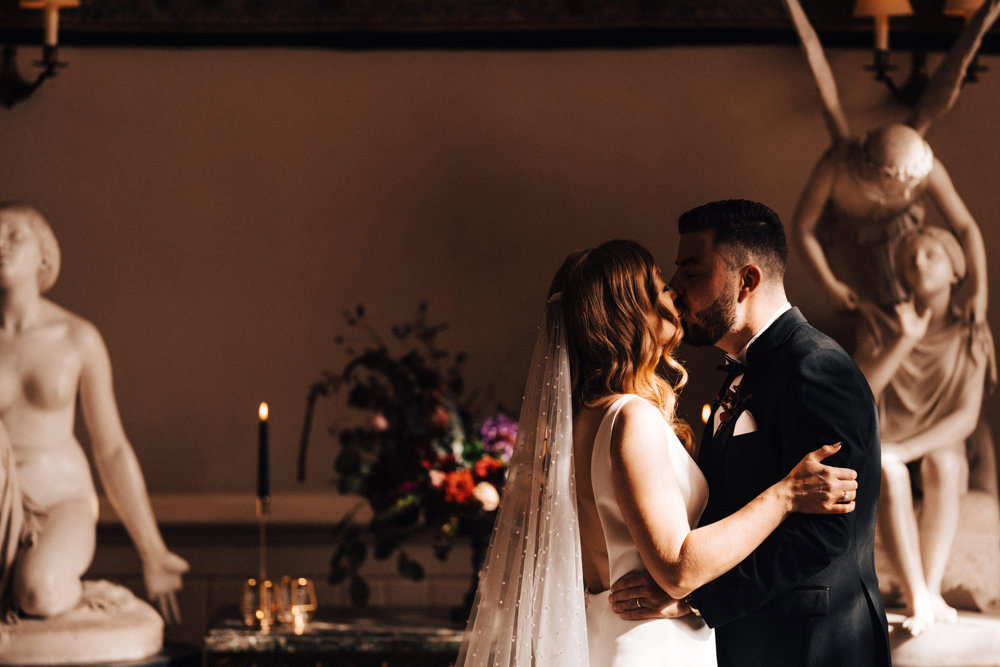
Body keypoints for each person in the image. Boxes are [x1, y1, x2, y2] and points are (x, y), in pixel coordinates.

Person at [456, 238, 860, 666]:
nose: (672, 292)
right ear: (628, 312)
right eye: (656, 285)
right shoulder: (630, 418)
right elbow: (678, 568)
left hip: (609, 636)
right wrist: (787, 495)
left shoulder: (582, 421)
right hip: (649, 645)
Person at [612, 200, 891, 666]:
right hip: (755, 638)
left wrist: (696, 599)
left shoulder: (817, 366)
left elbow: (825, 532)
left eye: (692, 270)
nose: (675, 286)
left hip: (813, 644)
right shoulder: (745, 373)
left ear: (747, 280)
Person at [0, 202, 188, 622]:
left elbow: (112, 449)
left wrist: (152, 550)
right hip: (0, 504)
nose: (0, 245)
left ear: (44, 254)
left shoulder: (76, 338)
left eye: (14, 235)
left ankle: (76, 590)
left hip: (59, 498)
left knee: (40, 593)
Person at [781, 0, 997, 331]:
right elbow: (803, 226)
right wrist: (828, 284)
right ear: (881, 176)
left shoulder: (924, 168)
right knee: (871, 333)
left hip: (904, 260)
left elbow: (965, 226)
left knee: (912, 326)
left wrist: (981, 291)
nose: (911, 190)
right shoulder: (838, 166)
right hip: (849, 257)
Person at [854, 226, 994, 636]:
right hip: (887, 443)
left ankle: (932, 590)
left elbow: (966, 418)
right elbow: (859, 392)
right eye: (912, 256)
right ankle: (918, 597)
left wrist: (907, 448)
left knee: (945, 462)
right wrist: (904, 339)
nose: (919, 261)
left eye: (932, 254)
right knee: (889, 471)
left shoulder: (971, 332)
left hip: (933, 448)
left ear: (956, 270)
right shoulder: (881, 324)